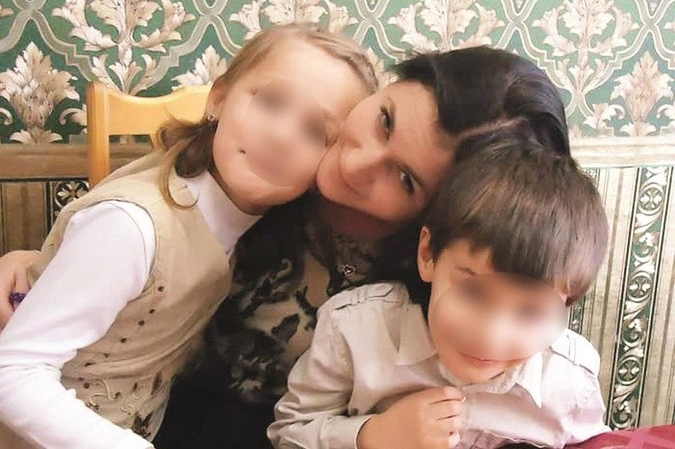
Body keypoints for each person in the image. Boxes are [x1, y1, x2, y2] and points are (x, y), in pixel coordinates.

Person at [0, 46, 572, 448]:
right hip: (159, 420)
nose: (355, 163)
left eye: (404, 179)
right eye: (384, 120)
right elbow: (146, 223)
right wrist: (35, 260)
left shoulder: (438, 282)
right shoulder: (268, 161)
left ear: (437, 219)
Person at [0, 24, 377, 449]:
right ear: (218, 99)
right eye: (270, 101)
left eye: (314, 132)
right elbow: (13, 372)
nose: (282, 136)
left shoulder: (249, 219)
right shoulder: (133, 226)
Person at [268, 125, 611, 448]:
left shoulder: (570, 380)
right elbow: (290, 432)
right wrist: (373, 435)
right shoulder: (355, 330)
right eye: (473, 292)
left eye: (530, 312)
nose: (491, 335)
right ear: (428, 255)